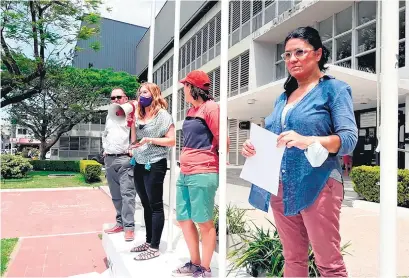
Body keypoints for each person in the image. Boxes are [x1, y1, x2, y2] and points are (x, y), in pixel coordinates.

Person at [241, 26, 357, 277]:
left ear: (317, 54)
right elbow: (276, 139)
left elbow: (348, 139)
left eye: (299, 52)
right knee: (293, 259)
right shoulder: (283, 98)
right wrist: (254, 148)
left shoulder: (334, 89)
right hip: (281, 184)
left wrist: (308, 140)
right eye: (287, 55)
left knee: (329, 263)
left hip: (318, 182)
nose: (292, 59)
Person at [172, 70, 227, 278]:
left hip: (203, 172)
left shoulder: (211, 108)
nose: (183, 90)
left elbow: (224, 141)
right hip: (185, 173)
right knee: (184, 218)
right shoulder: (191, 111)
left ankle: (205, 268)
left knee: (204, 222)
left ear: (192, 87)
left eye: (185, 86)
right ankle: (194, 263)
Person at [129, 82, 175, 261]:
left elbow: (171, 141)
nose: (142, 95)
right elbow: (134, 140)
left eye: (145, 92)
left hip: (155, 163)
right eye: (140, 92)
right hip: (139, 162)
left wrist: (150, 139)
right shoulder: (140, 115)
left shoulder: (163, 115)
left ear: (154, 93)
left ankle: (155, 247)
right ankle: (148, 241)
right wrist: (132, 124)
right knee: (145, 204)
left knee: (155, 205)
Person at [103, 88, 137, 242]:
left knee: (127, 194)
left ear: (125, 98)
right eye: (112, 98)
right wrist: (104, 150)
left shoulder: (130, 113)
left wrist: (133, 148)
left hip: (124, 158)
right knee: (116, 196)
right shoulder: (109, 116)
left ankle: (129, 227)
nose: (115, 100)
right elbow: (106, 133)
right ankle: (120, 223)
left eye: (118, 97)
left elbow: (137, 103)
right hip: (109, 159)